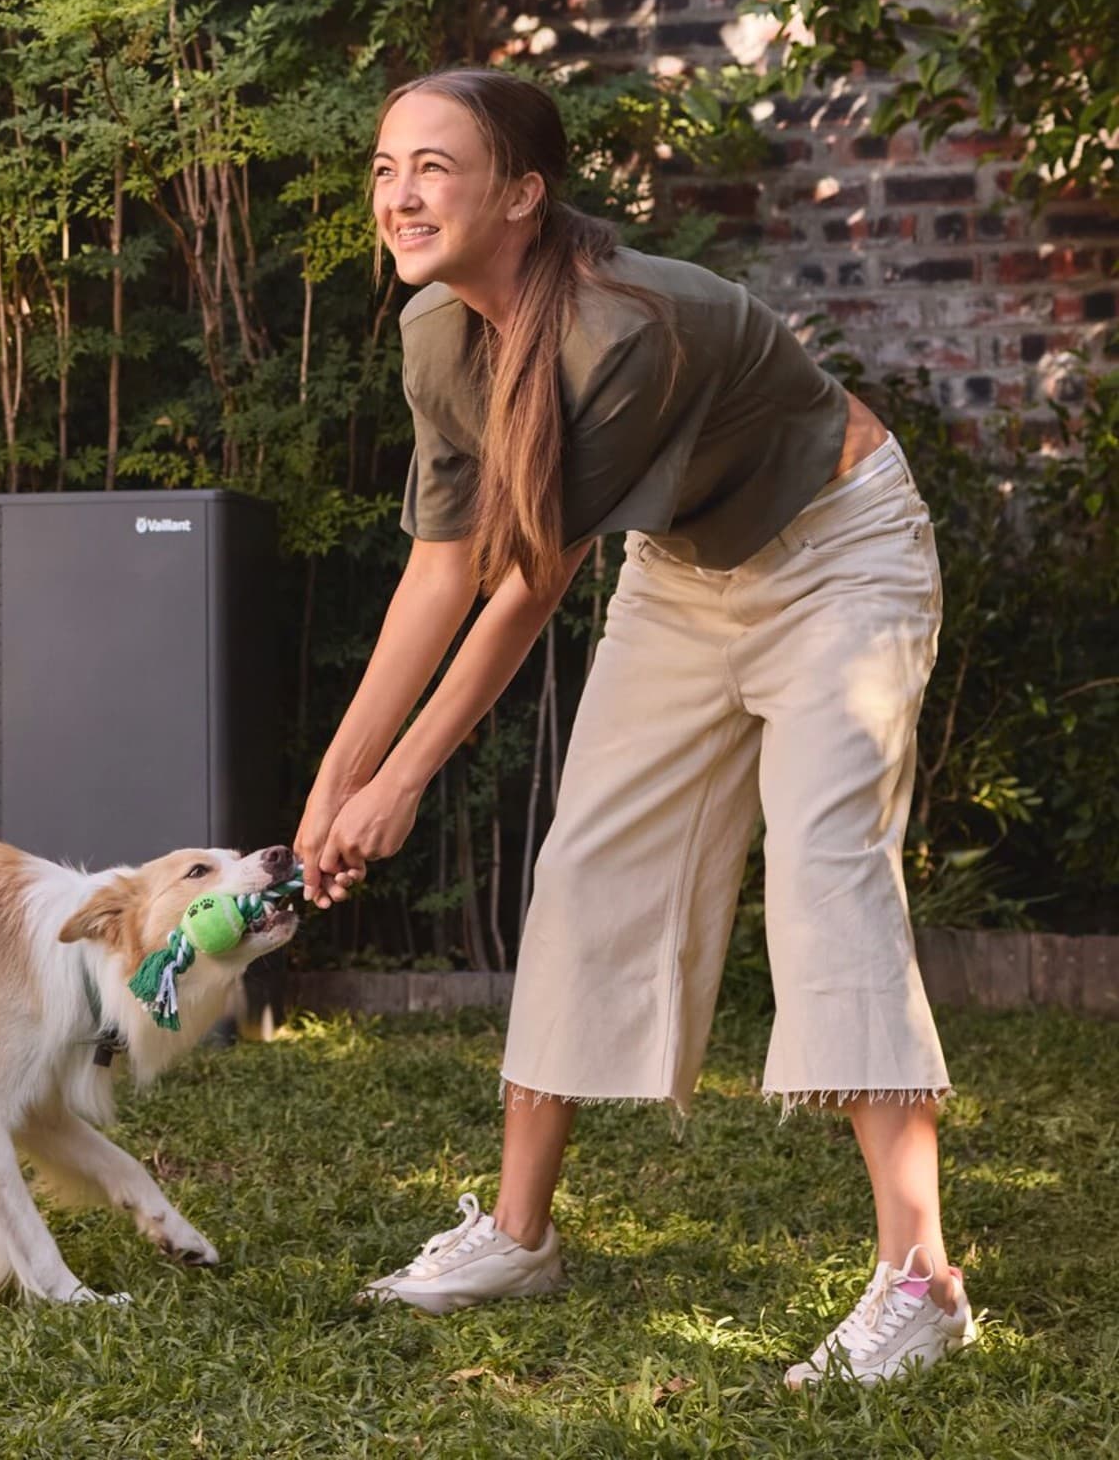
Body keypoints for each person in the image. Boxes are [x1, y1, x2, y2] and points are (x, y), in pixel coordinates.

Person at [294, 67, 975, 1386]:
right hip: (690, 578)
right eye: (386, 167)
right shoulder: (439, 331)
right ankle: (517, 1231)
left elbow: (526, 583)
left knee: (831, 871)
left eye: (436, 166)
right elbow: (441, 568)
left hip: (840, 552)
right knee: (590, 864)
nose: (401, 194)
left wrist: (408, 783)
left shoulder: (627, 328)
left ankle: (920, 1280)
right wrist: (336, 785)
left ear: (524, 194)